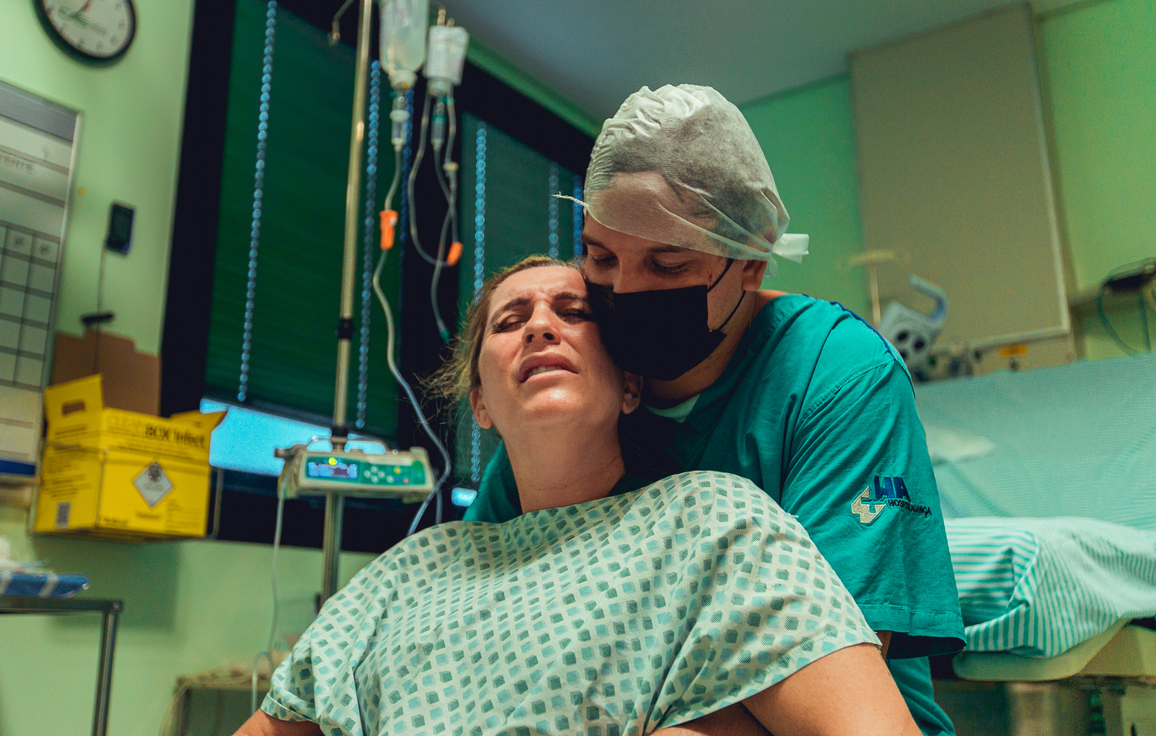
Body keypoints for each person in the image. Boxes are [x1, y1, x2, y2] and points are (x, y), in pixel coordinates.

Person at [237, 257, 923, 736]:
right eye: (509, 323)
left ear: (631, 386)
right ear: (479, 402)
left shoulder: (716, 526)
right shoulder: (409, 571)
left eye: (573, 312)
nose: (540, 327)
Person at [463, 86, 967, 735]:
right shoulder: (583, 385)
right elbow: (475, 608)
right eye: (601, 258)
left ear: (751, 261)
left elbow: (824, 675)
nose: (625, 290)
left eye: (668, 264)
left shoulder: (835, 374)